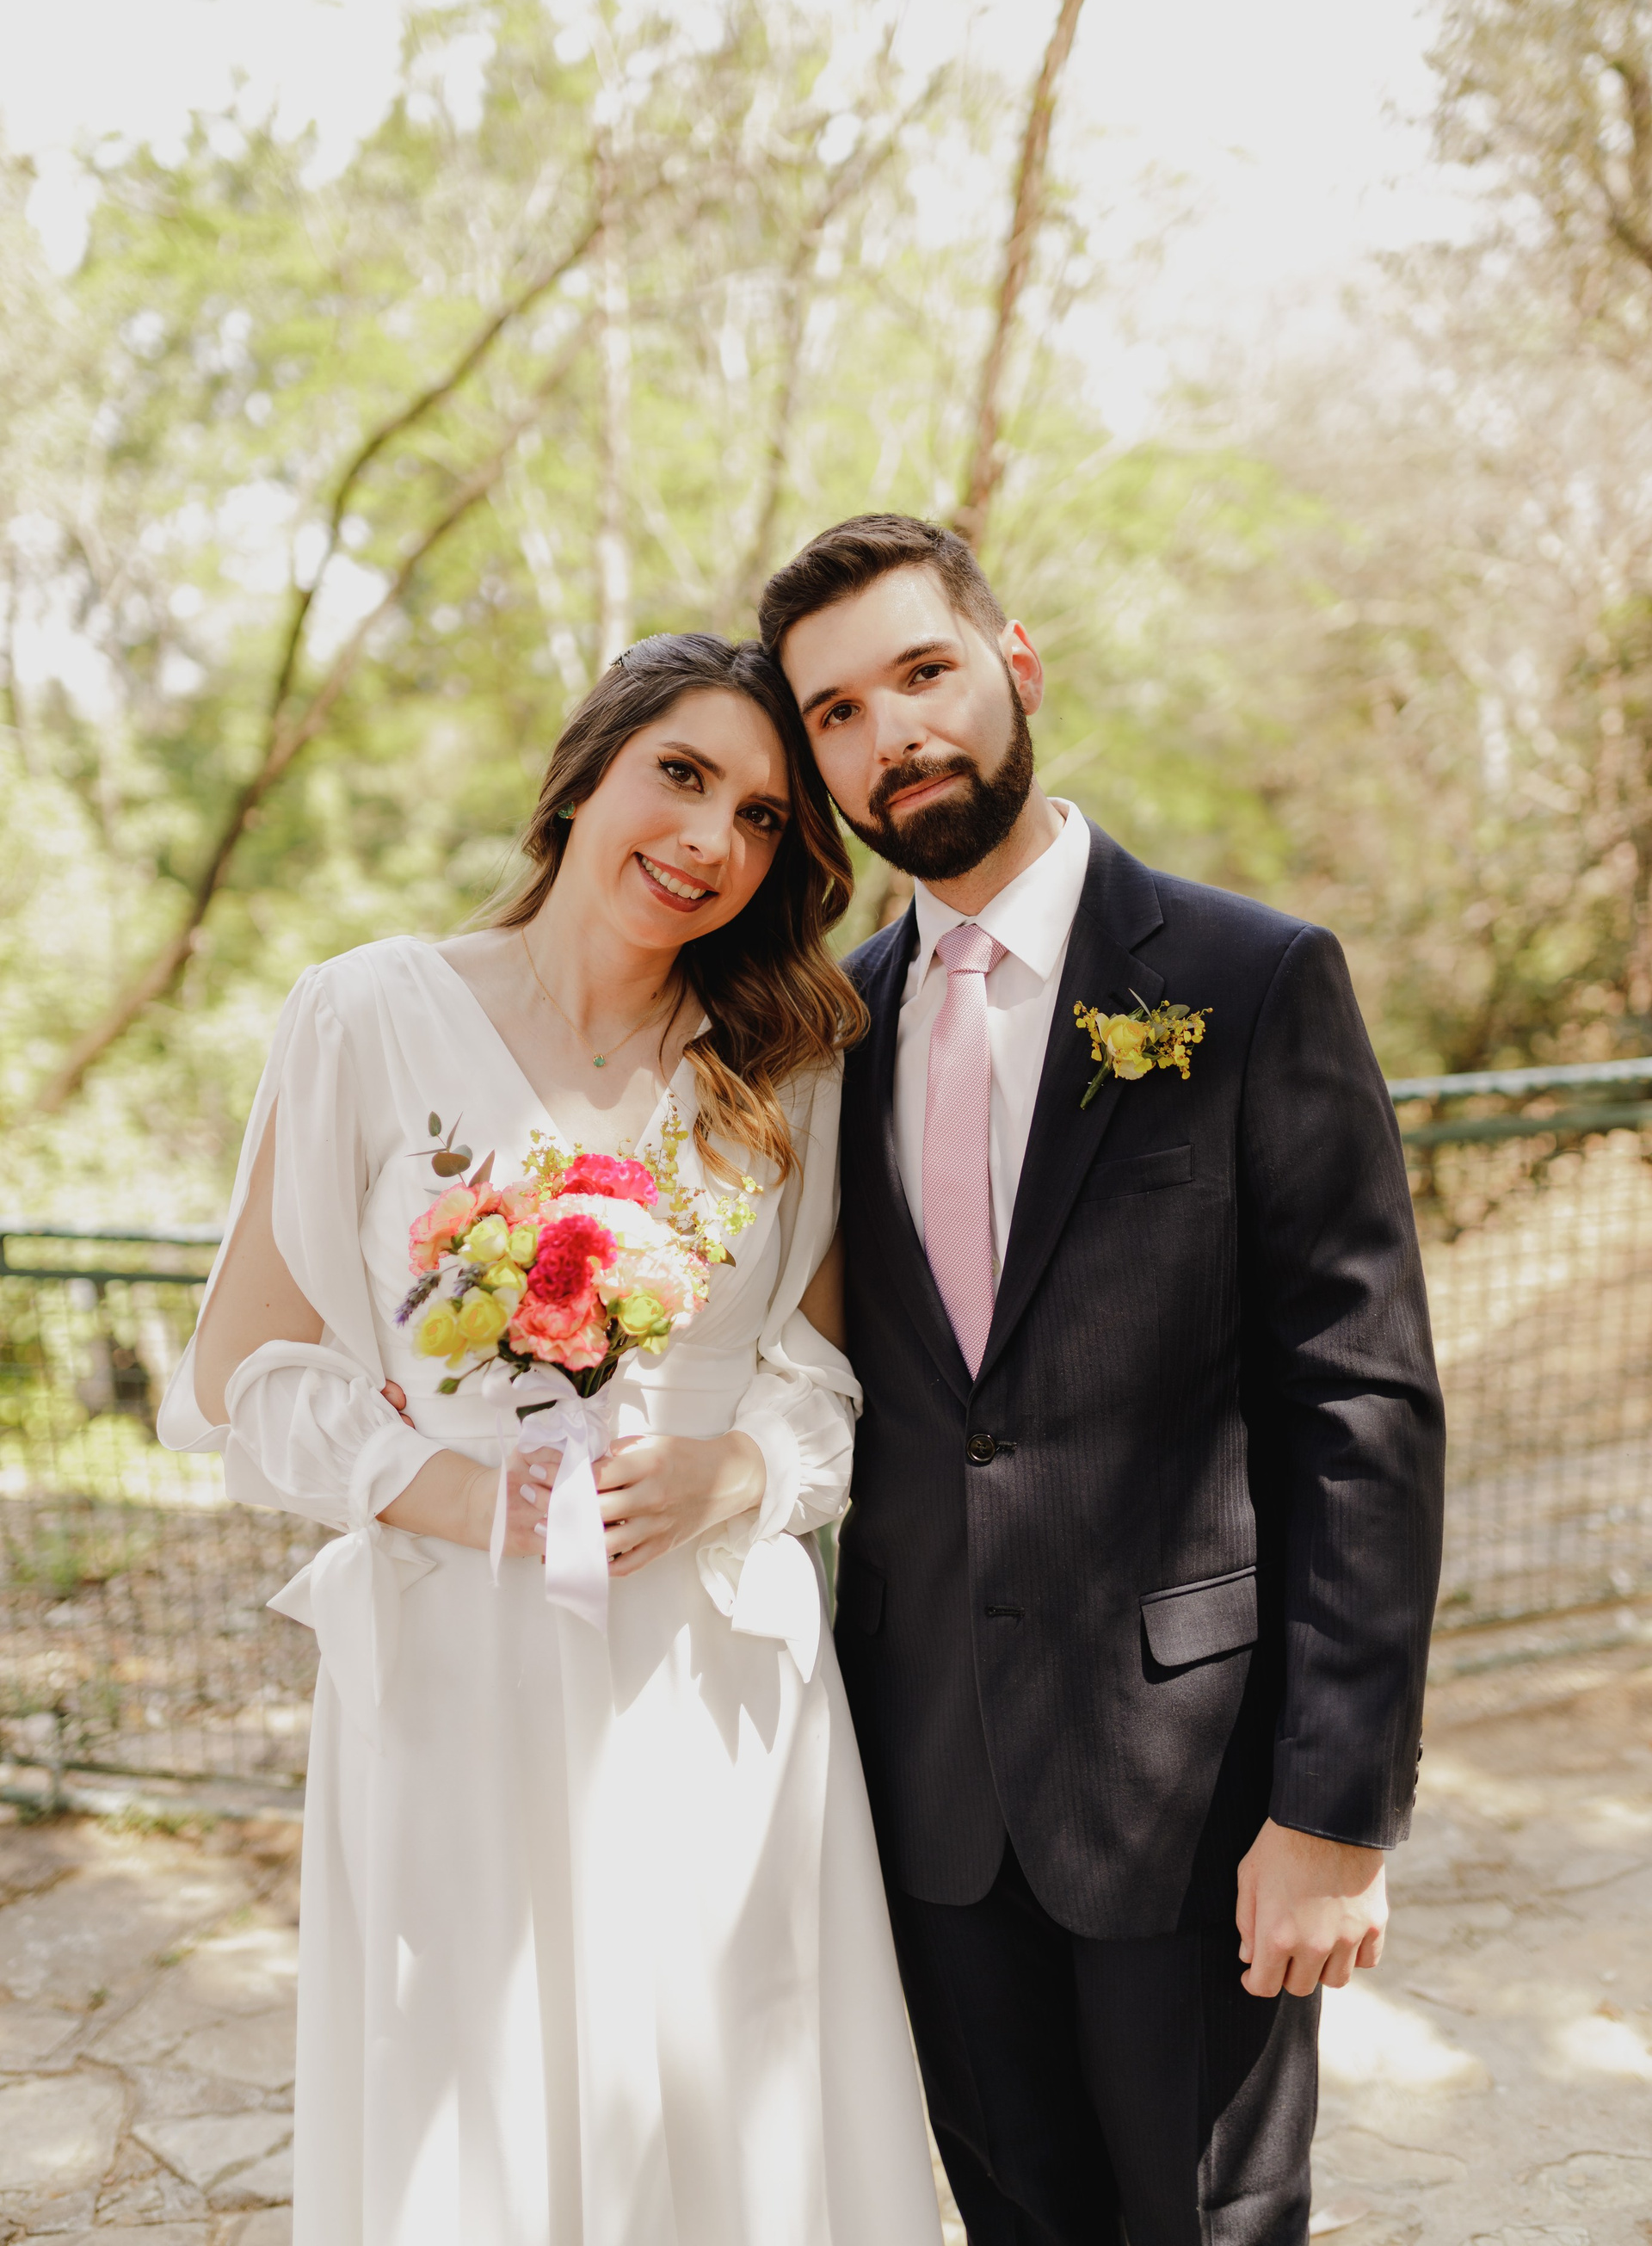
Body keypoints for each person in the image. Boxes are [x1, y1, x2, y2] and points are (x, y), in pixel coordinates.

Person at [157, 632, 944, 2246]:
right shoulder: (368, 1014)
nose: (711, 839)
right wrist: (451, 1493)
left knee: (730, 2075)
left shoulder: (788, 1063)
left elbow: (829, 1380)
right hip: (460, 1653)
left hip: (711, 1657)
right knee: (474, 2083)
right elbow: (245, 1374)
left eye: (764, 817)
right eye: (682, 775)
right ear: (584, 773)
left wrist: (741, 1472)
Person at [760, 516, 1446, 2246]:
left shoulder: (1248, 979)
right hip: (926, 1790)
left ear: (1018, 665)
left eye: (924, 672)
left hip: (1192, 1792)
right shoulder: (825, 1035)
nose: (893, 733)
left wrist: (1335, 1813)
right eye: (837, 712)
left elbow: (1361, 1407)